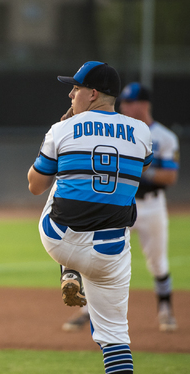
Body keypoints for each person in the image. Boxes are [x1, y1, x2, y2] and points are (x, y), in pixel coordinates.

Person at [28, 61, 153, 374]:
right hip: (110, 255)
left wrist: (61, 139)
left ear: (93, 94)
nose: (71, 94)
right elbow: (141, 170)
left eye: (76, 88)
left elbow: (34, 186)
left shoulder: (62, 129)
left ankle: (69, 269)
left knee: (60, 180)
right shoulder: (142, 132)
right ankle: (76, 271)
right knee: (115, 339)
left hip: (60, 239)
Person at [61, 82, 180, 333]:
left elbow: (169, 177)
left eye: (130, 102)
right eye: (123, 101)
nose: (124, 106)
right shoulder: (118, 132)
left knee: (158, 262)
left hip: (152, 206)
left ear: (144, 104)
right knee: (97, 255)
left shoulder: (165, 137)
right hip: (120, 204)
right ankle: (87, 312)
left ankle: (165, 311)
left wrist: (134, 169)